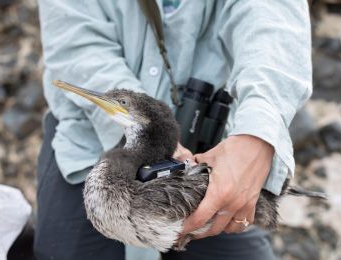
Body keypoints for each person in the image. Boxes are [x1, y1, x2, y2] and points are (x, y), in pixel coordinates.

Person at [34, 0, 312, 259]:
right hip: (86, 142)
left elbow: (273, 22)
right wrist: (152, 136)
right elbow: (77, 44)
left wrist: (257, 136)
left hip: (214, 156)